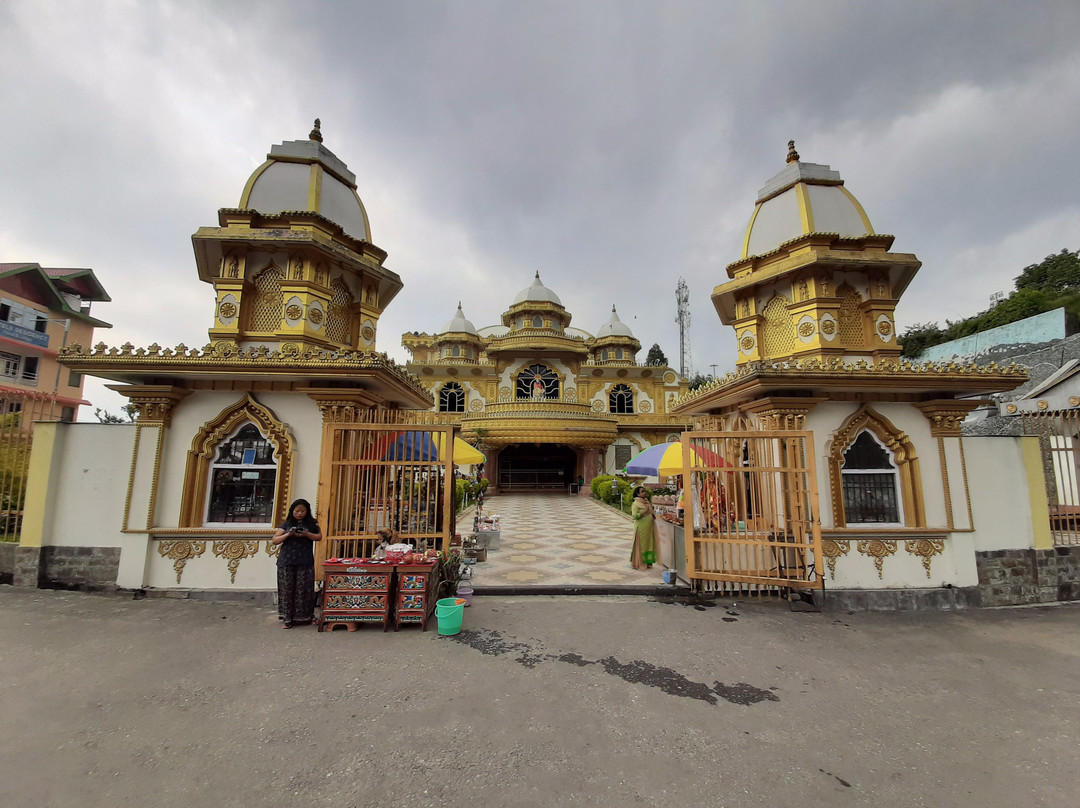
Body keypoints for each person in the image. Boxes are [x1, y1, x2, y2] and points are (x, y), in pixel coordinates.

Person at [271, 498, 322, 628]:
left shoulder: (312, 524)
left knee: (304, 589)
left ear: (307, 511)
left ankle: (305, 617)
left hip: (305, 561)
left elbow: (319, 537)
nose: (300, 513)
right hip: (287, 561)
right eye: (297, 511)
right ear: (292, 511)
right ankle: (287, 618)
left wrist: (306, 534)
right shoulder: (286, 524)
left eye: (302, 511)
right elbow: (275, 540)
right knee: (287, 589)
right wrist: (288, 534)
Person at [630, 486, 658, 570]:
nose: (644, 493)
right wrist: (643, 512)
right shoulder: (635, 504)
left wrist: (652, 514)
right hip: (641, 528)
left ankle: (648, 563)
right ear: (638, 494)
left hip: (649, 527)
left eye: (644, 491)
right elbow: (634, 516)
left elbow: (651, 511)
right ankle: (639, 563)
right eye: (642, 491)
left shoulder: (647, 502)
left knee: (649, 544)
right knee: (641, 545)